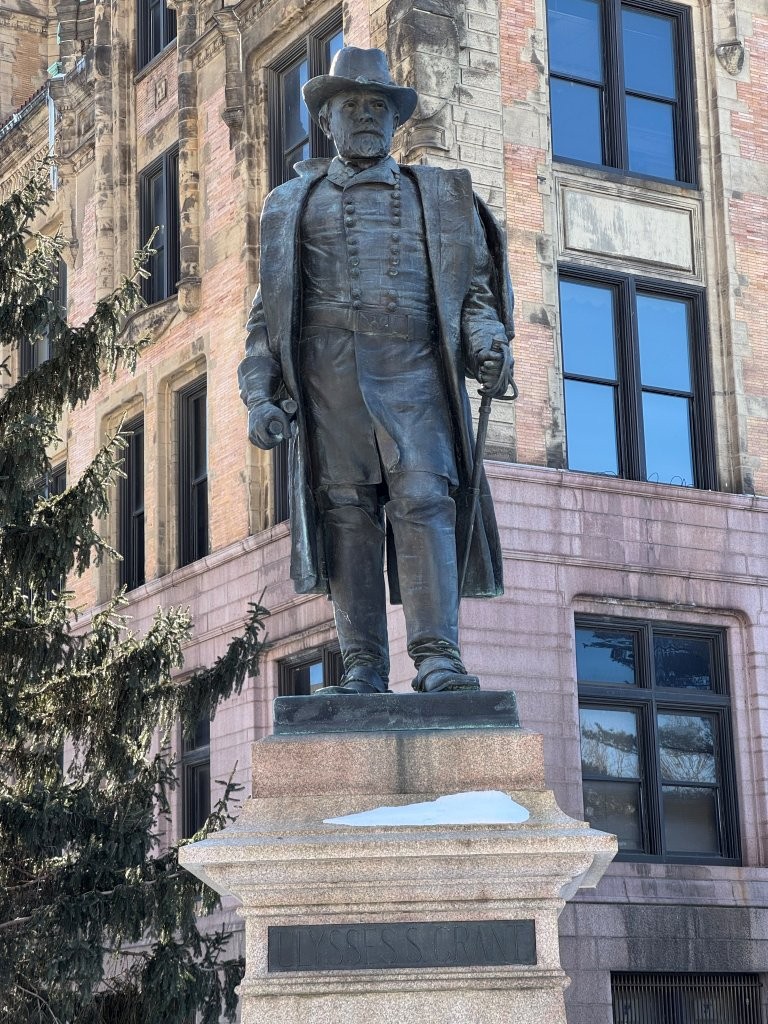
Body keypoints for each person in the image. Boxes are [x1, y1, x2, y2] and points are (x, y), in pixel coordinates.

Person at [238, 47, 515, 695]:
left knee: (425, 501)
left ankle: (437, 656)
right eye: (350, 106)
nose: (365, 117)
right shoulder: (288, 205)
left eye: (376, 107)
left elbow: (473, 296)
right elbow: (267, 318)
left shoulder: (442, 197)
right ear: (326, 121)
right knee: (347, 515)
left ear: (394, 122)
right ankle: (363, 665)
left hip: (417, 376)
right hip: (328, 385)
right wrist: (259, 395)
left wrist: (489, 346)